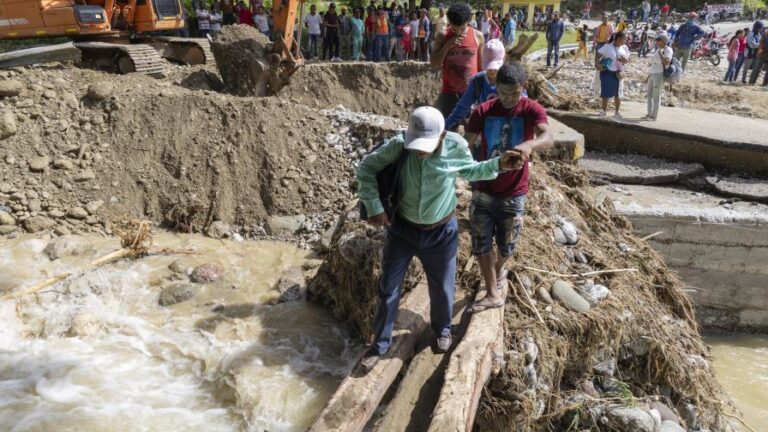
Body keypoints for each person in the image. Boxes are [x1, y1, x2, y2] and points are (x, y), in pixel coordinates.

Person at [356, 106, 523, 370]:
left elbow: (471, 171)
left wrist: (498, 165)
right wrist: (374, 205)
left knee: (443, 286)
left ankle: (442, 330)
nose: (420, 152)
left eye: (426, 146)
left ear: (442, 136)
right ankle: (379, 345)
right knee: (388, 288)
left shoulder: (456, 147)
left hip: (441, 232)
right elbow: (366, 168)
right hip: (402, 230)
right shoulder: (399, 145)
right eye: (417, 146)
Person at [463, 62, 554, 313]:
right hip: (483, 187)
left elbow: (547, 137)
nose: (508, 99)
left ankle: (499, 269)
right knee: (480, 241)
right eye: (503, 93)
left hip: (514, 191)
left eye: (514, 93)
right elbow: (465, 145)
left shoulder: (530, 109)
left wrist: (529, 146)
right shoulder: (483, 111)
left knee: (507, 244)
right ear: (495, 88)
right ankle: (492, 293)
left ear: (523, 87)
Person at [431, 2, 484, 118]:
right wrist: (447, 46)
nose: (459, 32)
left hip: (471, 93)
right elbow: (434, 64)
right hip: (449, 94)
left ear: (468, 22)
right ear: (449, 23)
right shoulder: (442, 36)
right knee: (447, 131)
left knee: (470, 130)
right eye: (455, 29)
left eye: (462, 28)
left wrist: (482, 92)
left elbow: (481, 68)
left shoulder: (478, 36)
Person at [445, 39, 505, 130]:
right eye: (489, 67)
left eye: (495, 68)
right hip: (484, 130)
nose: (492, 71)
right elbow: (462, 107)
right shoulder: (478, 81)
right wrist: (445, 125)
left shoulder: (509, 79)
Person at [597, 32, 630, 118]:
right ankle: (603, 111)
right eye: (624, 39)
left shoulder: (625, 48)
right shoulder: (608, 47)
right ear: (618, 39)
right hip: (607, 72)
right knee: (605, 92)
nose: (625, 41)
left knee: (618, 93)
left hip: (618, 74)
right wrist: (597, 64)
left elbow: (627, 60)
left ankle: (617, 112)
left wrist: (624, 60)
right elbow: (597, 55)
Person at [645, 33, 672, 120]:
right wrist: (648, 76)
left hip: (659, 74)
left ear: (664, 41)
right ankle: (649, 114)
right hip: (652, 74)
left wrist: (660, 53)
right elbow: (653, 63)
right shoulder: (658, 49)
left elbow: (666, 62)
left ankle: (654, 116)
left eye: (658, 40)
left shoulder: (668, 50)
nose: (656, 42)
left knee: (656, 96)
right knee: (649, 95)